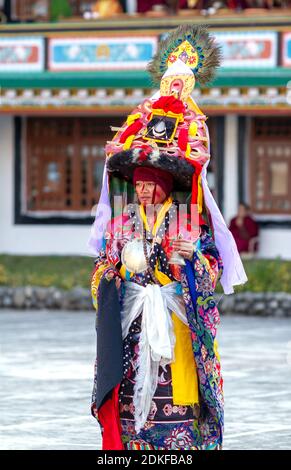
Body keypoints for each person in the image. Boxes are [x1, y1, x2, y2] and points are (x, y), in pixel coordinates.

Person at [88, 24, 247, 451]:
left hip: (175, 322)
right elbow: (100, 270)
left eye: (149, 183)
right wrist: (119, 267)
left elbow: (210, 270)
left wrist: (191, 258)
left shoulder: (189, 219)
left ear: (163, 184)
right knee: (130, 410)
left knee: (175, 413)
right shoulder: (123, 222)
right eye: (136, 183)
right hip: (135, 325)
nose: (141, 190)